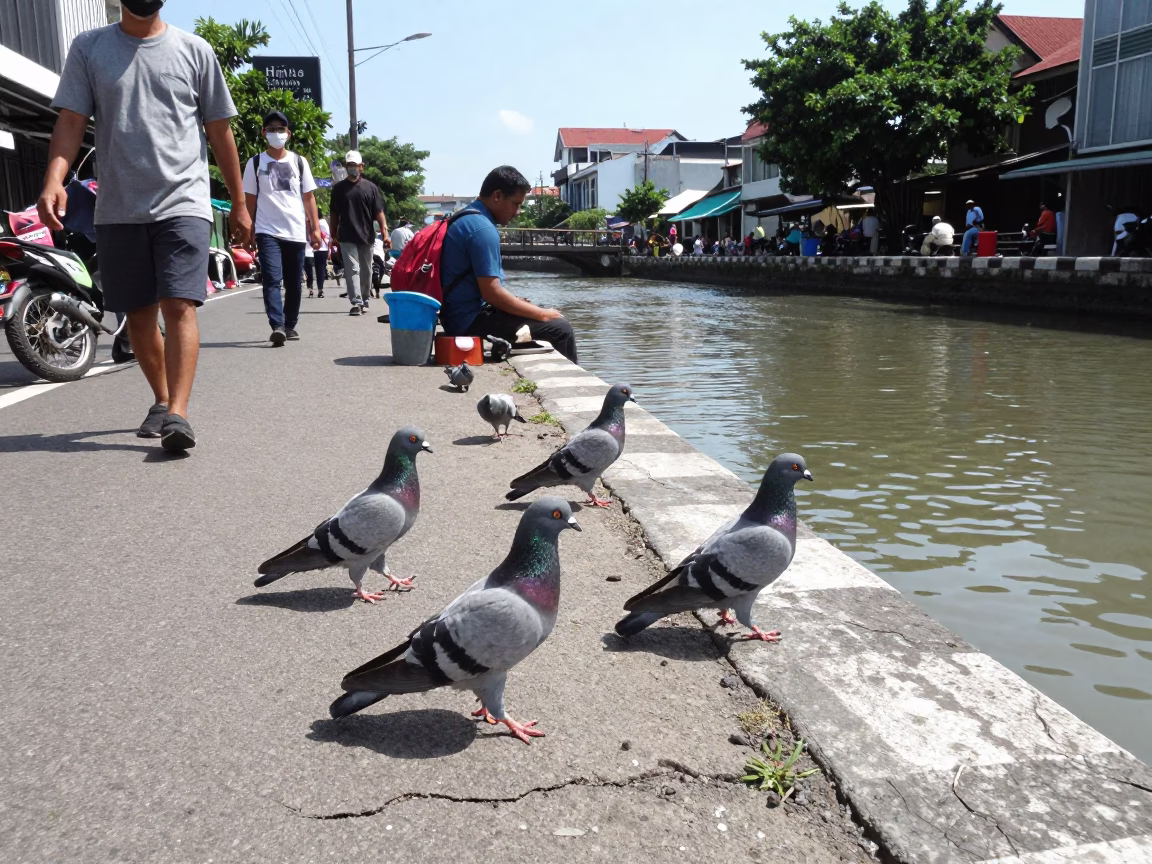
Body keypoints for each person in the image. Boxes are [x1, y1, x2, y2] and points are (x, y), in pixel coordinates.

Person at [38, 0, 251, 453]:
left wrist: (238, 203)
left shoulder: (195, 51)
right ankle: (161, 398)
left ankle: (179, 412)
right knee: (137, 315)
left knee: (179, 305)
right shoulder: (89, 48)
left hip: (184, 201)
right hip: (118, 206)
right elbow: (72, 120)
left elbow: (219, 130)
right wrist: (54, 180)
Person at [439, 165, 578, 363]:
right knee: (560, 328)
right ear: (497, 196)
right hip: (468, 323)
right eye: (515, 204)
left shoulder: (467, 217)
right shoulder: (483, 229)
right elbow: (492, 293)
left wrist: (518, 302)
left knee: (528, 310)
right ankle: (571, 389)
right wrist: (544, 315)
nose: (518, 212)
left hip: (455, 317)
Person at [243, 110, 321, 346]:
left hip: (295, 230)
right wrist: (249, 230)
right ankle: (277, 325)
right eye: (271, 129)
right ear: (263, 133)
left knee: (294, 283)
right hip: (267, 231)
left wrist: (315, 228)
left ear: (288, 133)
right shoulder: (255, 162)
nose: (276, 133)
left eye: (280, 129)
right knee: (272, 279)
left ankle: (290, 324)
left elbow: (308, 197)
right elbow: (250, 200)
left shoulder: (299, 161)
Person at [330, 150, 388, 316]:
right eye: (349, 165)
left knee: (366, 270)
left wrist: (385, 233)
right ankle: (356, 301)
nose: (352, 168)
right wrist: (333, 234)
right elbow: (334, 213)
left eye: (355, 165)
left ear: (361, 167)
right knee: (352, 269)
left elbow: (379, 212)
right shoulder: (339, 189)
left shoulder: (370, 188)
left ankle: (364, 298)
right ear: (346, 166)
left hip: (366, 236)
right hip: (346, 236)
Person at [304, 215, 331, 298]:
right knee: (320, 270)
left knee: (309, 271)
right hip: (321, 249)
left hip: (309, 250)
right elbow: (328, 235)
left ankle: (311, 290)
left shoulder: (307, 223)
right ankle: (320, 290)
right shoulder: (323, 222)